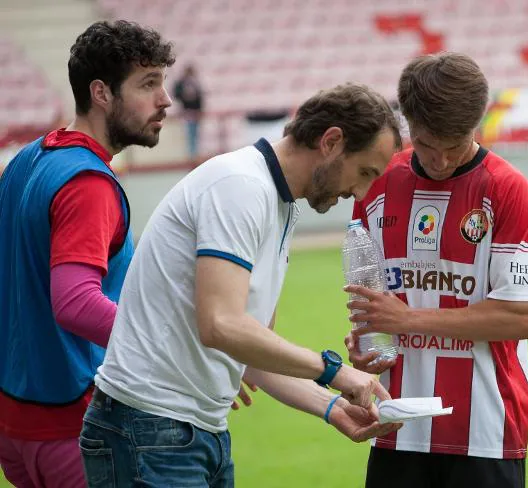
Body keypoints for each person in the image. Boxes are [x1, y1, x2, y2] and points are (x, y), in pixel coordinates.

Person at [80, 82, 404, 487]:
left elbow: (252, 351)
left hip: (194, 433)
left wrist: (332, 406)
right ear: (332, 142)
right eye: (365, 172)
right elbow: (221, 324)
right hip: (150, 430)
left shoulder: (278, 204)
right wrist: (334, 372)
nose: (361, 190)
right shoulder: (239, 186)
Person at [344, 52, 528, 488]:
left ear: (477, 125)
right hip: (396, 429)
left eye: (453, 146)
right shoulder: (377, 182)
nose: (438, 161)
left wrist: (407, 319)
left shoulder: (507, 189)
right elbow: (372, 300)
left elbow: (526, 317)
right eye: (423, 144)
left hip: (486, 432)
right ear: (407, 126)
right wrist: (368, 346)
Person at [0, 20, 175, 488]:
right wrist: (181, 346)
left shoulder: (27, 158)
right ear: (101, 92)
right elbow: (75, 303)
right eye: (148, 84)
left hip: (18, 427)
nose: (165, 100)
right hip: (75, 429)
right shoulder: (88, 183)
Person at [174, 64, 204, 159]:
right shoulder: (182, 83)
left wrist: (200, 111)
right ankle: (191, 155)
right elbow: (176, 93)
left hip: (194, 112)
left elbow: (200, 98)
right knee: (189, 134)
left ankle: (194, 155)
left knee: (195, 134)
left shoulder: (195, 83)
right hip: (186, 112)